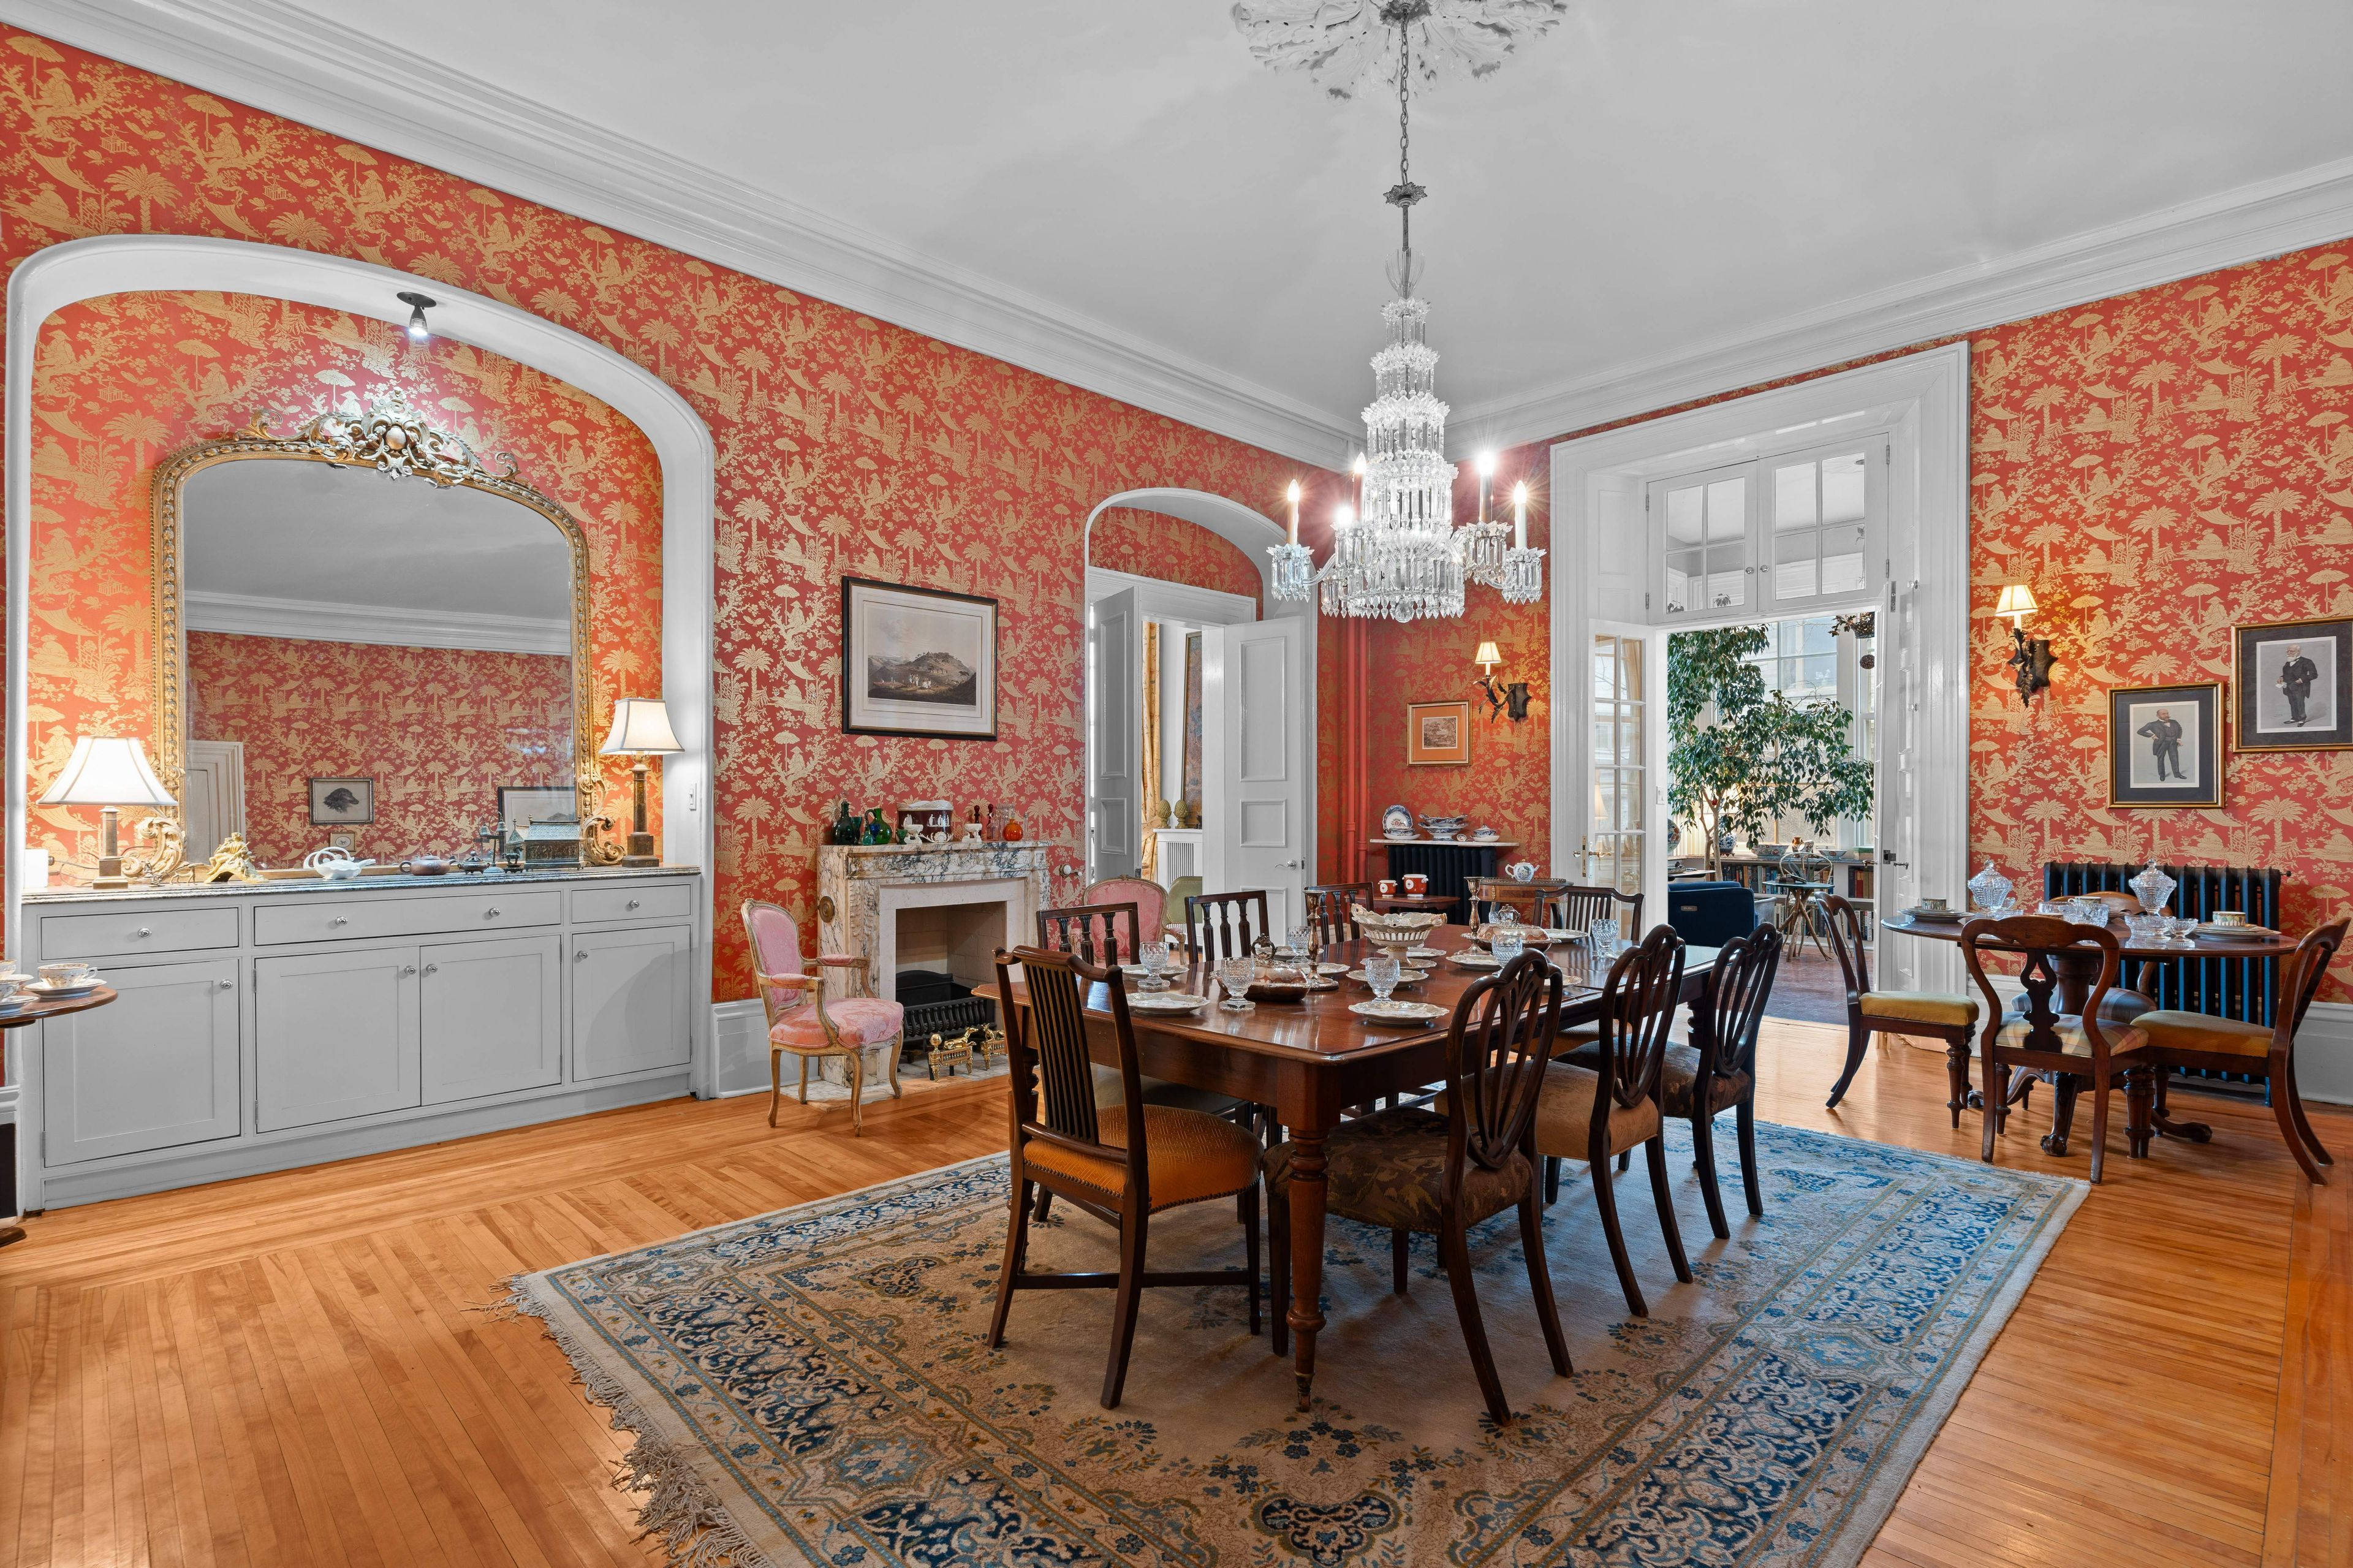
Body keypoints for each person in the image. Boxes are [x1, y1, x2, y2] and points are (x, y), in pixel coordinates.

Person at [2139, 707, 2185, 782]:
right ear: (2158, 716)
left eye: (2167, 713)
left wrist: (2179, 739)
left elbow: (2180, 729)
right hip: (2161, 744)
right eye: (2164, 714)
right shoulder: (2152, 724)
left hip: (2173, 743)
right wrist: (2152, 736)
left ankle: (2177, 774)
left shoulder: (2174, 722)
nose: (2166, 715)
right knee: (2161, 759)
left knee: (2175, 759)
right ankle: (2162, 775)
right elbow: (2140, 731)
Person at [2279, 643, 2320, 726]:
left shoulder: (2307, 662)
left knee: (2300, 703)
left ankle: (2302, 719)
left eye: (2292, 651)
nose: (2289, 653)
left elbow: (2314, 675)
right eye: (2288, 651)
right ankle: (2295, 718)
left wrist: (2300, 681)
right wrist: (2281, 677)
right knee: (2292, 703)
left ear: (2299, 652)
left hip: (2300, 687)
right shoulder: (2288, 662)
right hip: (2288, 686)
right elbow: (2287, 674)